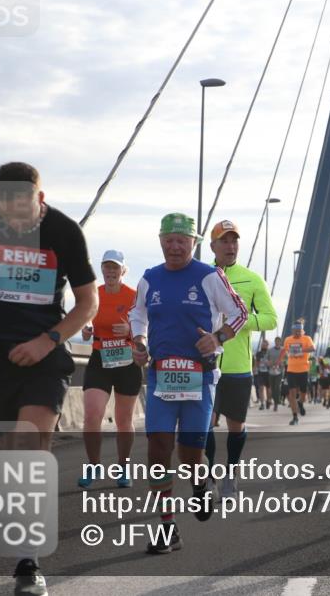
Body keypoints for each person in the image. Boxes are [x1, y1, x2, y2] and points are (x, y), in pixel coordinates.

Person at [0, 162, 98, 595]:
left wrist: (48, 341)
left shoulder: (64, 231)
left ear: (39, 198)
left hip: (44, 355)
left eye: (21, 203)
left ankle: (28, 563)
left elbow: (88, 303)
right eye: (3, 203)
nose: (12, 212)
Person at [129, 213, 247, 553]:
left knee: (190, 456)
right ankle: (167, 528)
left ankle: (201, 483)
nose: (175, 246)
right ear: (161, 241)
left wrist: (217, 337)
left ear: (194, 243)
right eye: (169, 240)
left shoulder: (209, 276)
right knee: (157, 450)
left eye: (182, 240)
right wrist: (139, 342)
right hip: (160, 375)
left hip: (200, 375)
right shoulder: (150, 278)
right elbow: (137, 314)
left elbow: (239, 313)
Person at [202, 219, 277, 497]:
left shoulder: (252, 279)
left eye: (234, 240)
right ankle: (209, 476)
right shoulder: (201, 276)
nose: (230, 246)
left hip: (237, 367)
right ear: (213, 246)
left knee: (236, 426)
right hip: (206, 364)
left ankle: (231, 474)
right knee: (205, 423)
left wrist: (239, 321)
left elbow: (270, 319)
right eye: (224, 240)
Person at [78, 250, 141, 489]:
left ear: (123, 270)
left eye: (115, 267)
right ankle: (93, 465)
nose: (111, 271)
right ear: (102, 269)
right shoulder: (95, 294)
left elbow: (147, 327)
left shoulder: (134, 296)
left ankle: (123, 467)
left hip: (127, 361)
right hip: (100, 358)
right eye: (107, 267)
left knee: (124, 420)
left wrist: (130, 331)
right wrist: (86, 330)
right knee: (92, 415)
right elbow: (85, 318)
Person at [279, 320, 315, 425]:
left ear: (302, 330)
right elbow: (284, 350)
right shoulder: (288, 339)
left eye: (300, 331)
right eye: (296, 331)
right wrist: (279, 361)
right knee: (292, 394)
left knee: (303, 393)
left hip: (303, 370)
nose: (298, 333)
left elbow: (313, 348)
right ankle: (295, 417)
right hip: (291, 370)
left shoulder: (307, 338)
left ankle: (300, 403)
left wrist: (300, 350)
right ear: (292, 330)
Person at [254, 339, 273, 410]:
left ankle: (268, 400)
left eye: (265, 344)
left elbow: (272, 362)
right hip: (260, 372)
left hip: (268, 373)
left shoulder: (270, 352)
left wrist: (269, 363)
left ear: (267, 345)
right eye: (262, 344)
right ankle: (262, 403)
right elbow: (256, 362)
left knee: (268, 388)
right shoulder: (258, 353)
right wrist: (255, 369)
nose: (263, 345)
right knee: (261, 388)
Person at [267, 336, 284, 411]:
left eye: (279, 341)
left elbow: (287, 359)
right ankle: (269, 400)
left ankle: (276, 404)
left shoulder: (283, 350)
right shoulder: (270, 350)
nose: (277, 342)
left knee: (277, 387)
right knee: (272, 388)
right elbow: (266, 359)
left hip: (279, 371)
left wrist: (282, 363)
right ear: (275, 342)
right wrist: (269, 363)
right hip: (271, 371)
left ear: (280, 342)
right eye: (276, 341)